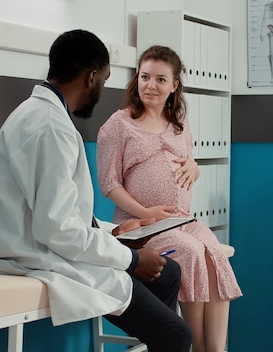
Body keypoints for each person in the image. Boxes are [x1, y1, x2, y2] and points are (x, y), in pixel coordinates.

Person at [0, 30, 192, 352]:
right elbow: (58, 230)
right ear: (92, 77)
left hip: (36, 244)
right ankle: (158, 331)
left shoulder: (31, 114)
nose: (102, 89)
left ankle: (151, 330)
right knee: (177, 335)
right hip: (37, 256)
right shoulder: (53, 128)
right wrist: (132, 259)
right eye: (104, 80)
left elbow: (54, 209)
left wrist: (113, 230)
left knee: (168, 272)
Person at [96, 45, 242, 352]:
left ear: (174, 85)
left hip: (182, 219)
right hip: (140, 226)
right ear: (137, 79)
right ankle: (196, 344)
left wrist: (195, 167)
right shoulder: (118, 125)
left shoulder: (180, 123)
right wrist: (148, 213)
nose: (151, 85)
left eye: (161, 79)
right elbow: (109, 185)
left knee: (213, 254)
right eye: (145, 77)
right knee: (189, 252)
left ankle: (215, 348)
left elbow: (188, 166)